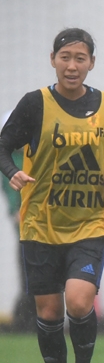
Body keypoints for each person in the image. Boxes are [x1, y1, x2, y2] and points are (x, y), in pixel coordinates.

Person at [0, 28, 104, 363]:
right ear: (52, 59)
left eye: (80, 58)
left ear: (92, 63)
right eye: (65, 57)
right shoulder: (35, 103)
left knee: (78, 300)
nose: (72, 65)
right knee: (50, 312)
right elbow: (3, 146)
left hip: (90, 222)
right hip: (41, 223)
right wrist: (12, 173)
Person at [0, 112, 37, 332]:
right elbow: (11, 191)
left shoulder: (30, 154)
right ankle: (30, 318)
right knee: (27, 268)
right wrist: (16, 210)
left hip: (40, 222)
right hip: (24, 227)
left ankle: (38, 317)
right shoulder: (8, 159)